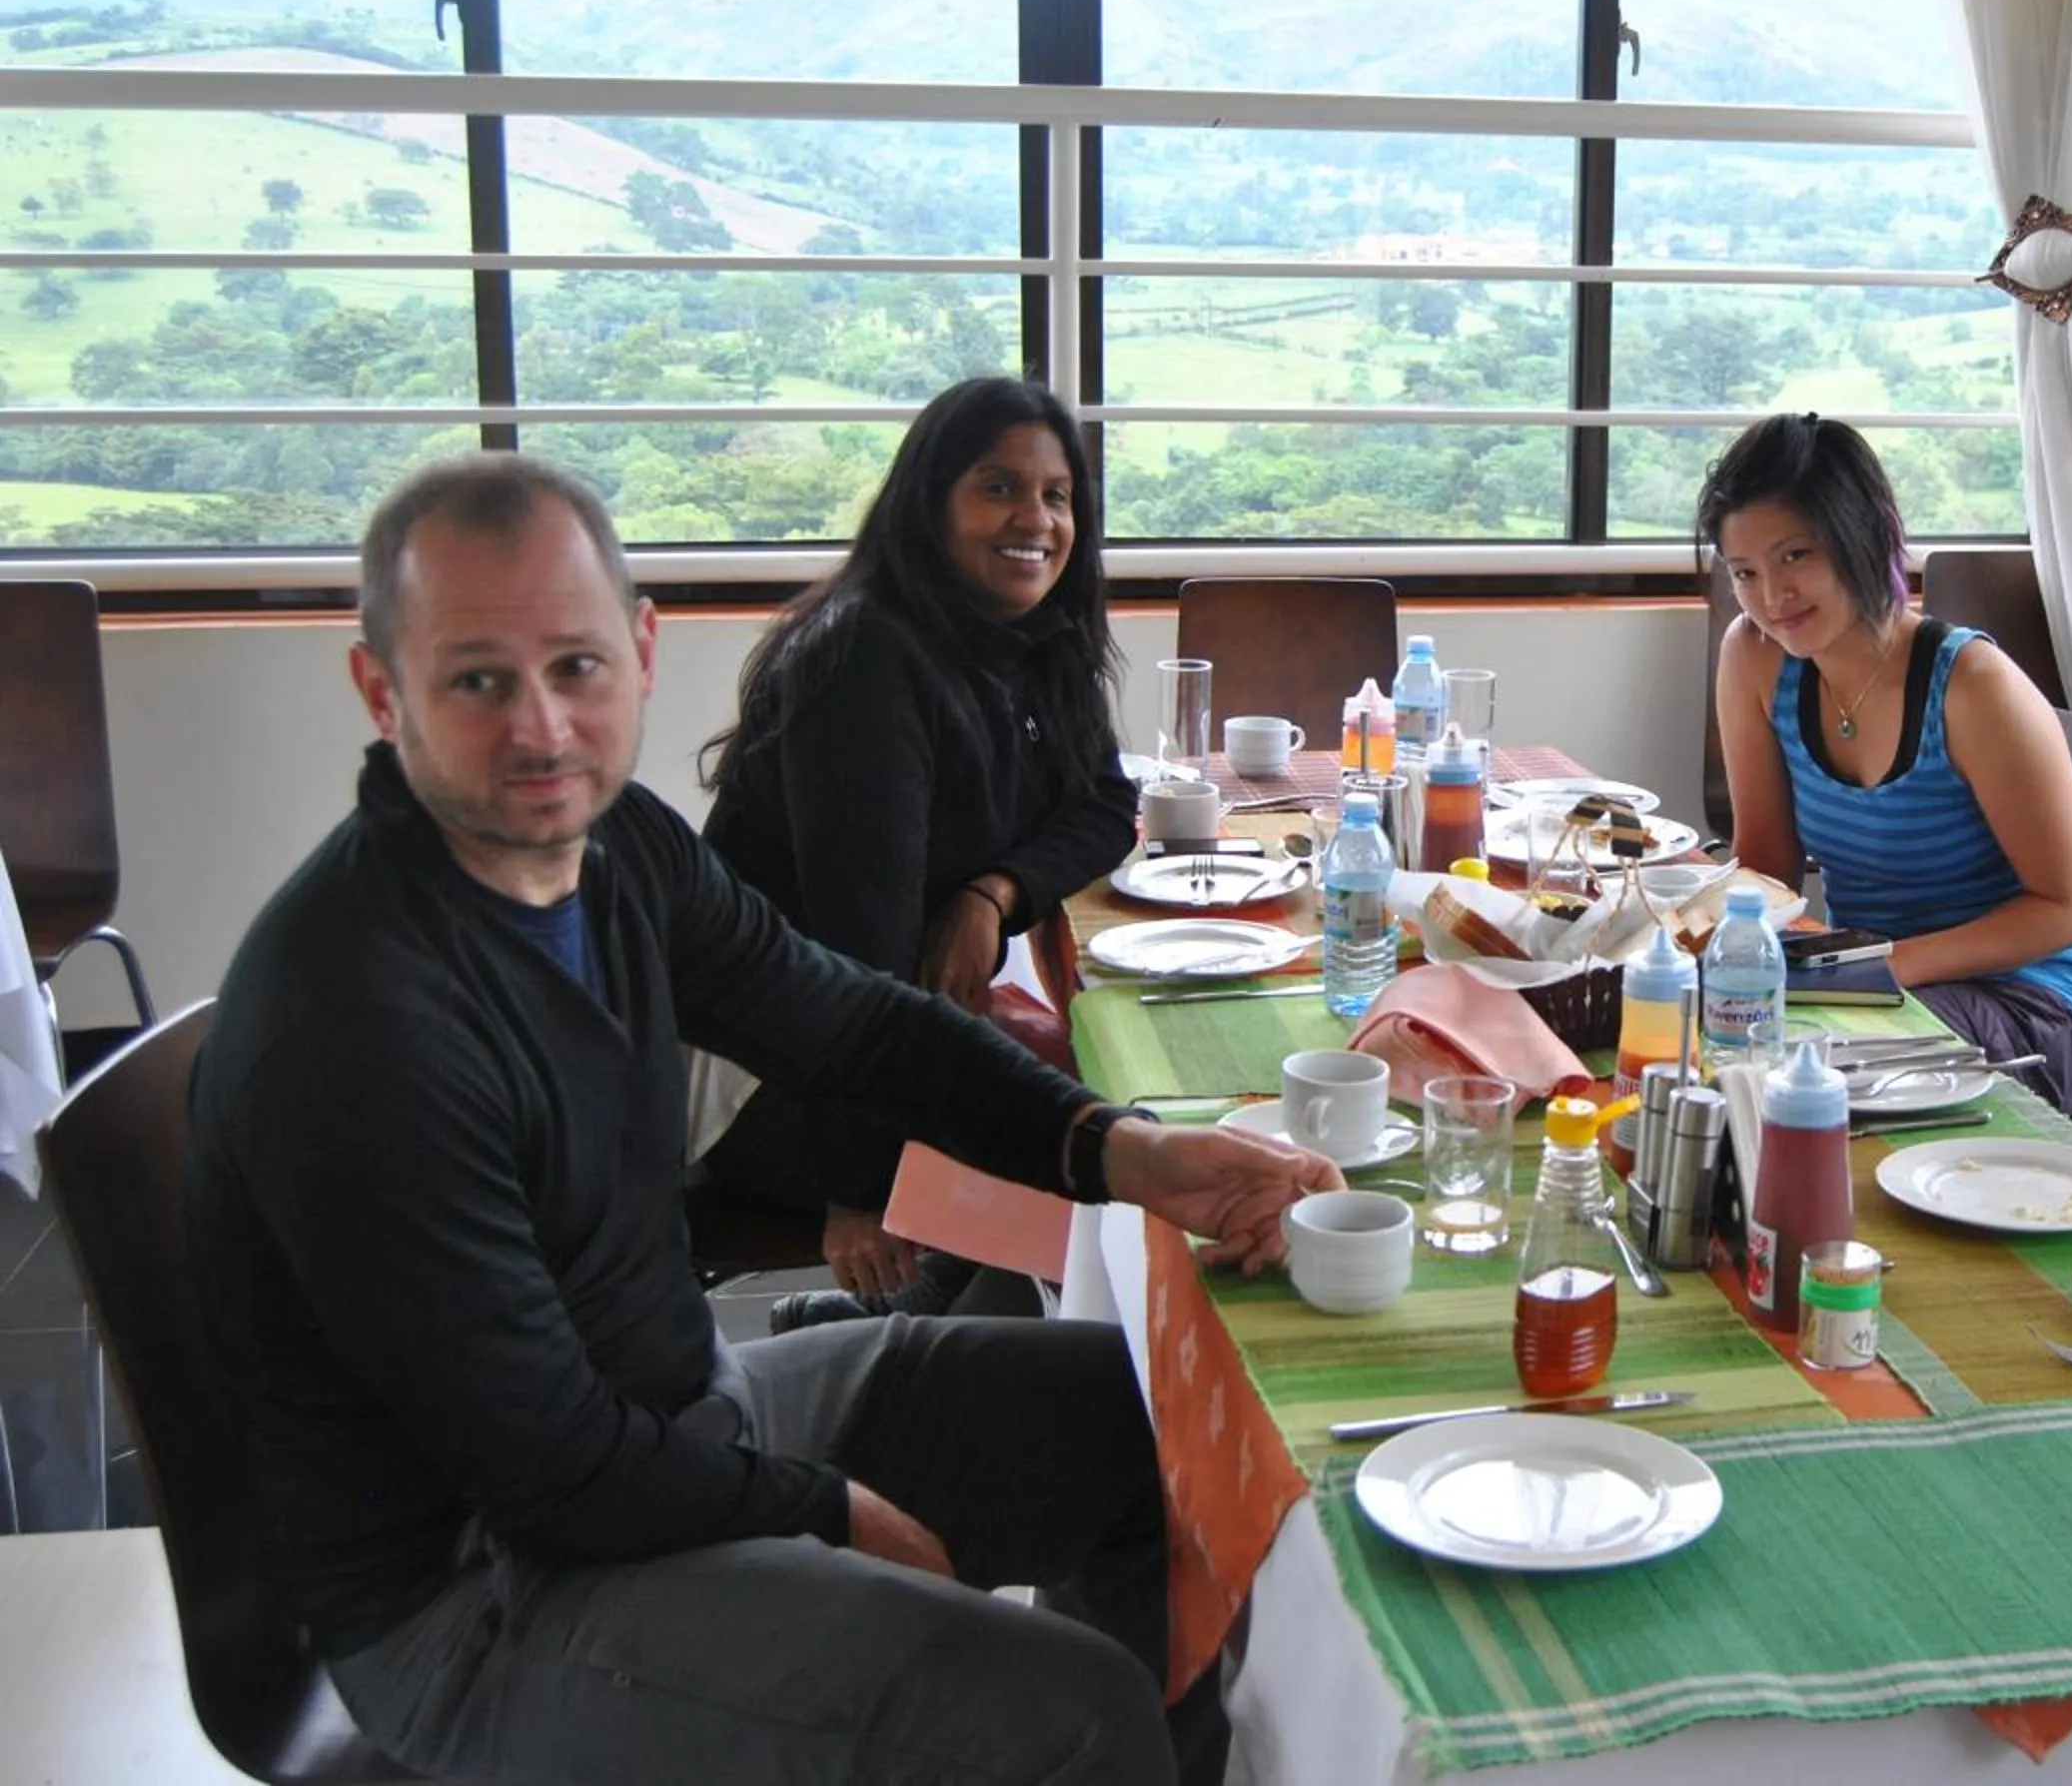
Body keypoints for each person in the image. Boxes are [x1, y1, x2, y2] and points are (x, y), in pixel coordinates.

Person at [188, 454, 1338, 1785]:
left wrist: (1125, 1153)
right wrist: (830, 1514)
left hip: (679, 1424)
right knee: (1066, 1712)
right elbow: (553, 1470)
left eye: (575, 668)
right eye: (477, 681)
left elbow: (857, 1025)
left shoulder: (615, 850)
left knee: (1164, 1445)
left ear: (643, 649)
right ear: (382, 692)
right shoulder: (358, 1027)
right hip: (482, 1600)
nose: (544, 731)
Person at [697, 377, 1136, 1326]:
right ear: (930, 500)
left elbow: (1107, 806)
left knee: (1092, 1093)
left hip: (879, 1029)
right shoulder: (865, 658)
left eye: (1057, 496)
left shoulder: (1031, 638)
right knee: (1081, 1132)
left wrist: (994, 892)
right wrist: (863, 1182)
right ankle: (931, 1370)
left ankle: (910, 1329)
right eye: (998, 488)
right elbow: (860, 948)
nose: (1036, 519)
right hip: (770, 1067)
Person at [1699, 413, 2072, 1112]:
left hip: (2025, 1003)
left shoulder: (1972, 686)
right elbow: (1767, 863)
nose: (1773, 597)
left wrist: (1887, 969)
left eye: (1796, 556)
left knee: (1798, 1080)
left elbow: (2071, 908)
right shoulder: (1755, 657)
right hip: (1870, 983)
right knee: (1720, 1049)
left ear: (1864, 535)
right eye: (1746, 573)